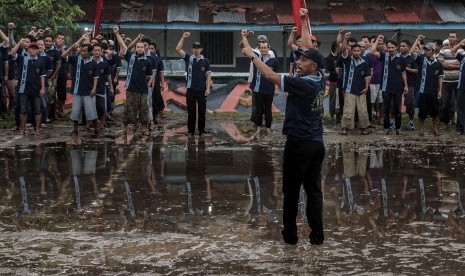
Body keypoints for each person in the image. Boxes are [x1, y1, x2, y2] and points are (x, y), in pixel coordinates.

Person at [241, 8, 325, 246]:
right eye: (300, 58)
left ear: (314, 67)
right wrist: (306, 20)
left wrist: (252, 55)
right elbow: (311, 49)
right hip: (317, 144)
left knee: (290, 193)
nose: (299, 61)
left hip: (299, 144)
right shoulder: (320, 76)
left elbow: (270, 76)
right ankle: (317, 238)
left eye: (304, 60)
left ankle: (290, 237)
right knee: (314, 192)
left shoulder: (304, 84)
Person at [114, 27, 155, 136]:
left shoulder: (148, 62)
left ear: (145, 49)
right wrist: (117, 34)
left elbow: (148, 77)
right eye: (138, 47)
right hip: (131, 89)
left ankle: (144, 128)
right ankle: (125, 128)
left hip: (143, 90)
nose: (140, 49)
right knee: (128, 109)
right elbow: (123, 45)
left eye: (142, 47)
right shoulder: (131, 57)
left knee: (143, 110)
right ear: (136, 48)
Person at [61, 35, 99, 136]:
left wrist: (94, 88)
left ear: (90, 52)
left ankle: (96, 128)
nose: (83, 52)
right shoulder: (76, 59)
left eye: (85, 51)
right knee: (75, 111)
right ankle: (75, 129)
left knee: (92, 111)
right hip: (77, 90)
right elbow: (63, 56)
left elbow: (96, 77)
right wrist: (72, 47)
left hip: (88, 91)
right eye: (81, 50)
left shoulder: (94, 63)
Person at [176, 32, 212, 136]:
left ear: (201, 49)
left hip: (201, 90)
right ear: (192, 49)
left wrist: (208, 88)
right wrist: (183, 37)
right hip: (190, 89)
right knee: (191, 112)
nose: (196, 50)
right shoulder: (188, 58)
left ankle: (201, 131)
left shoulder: (205, 61)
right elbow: (178, 49)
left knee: (202, 112)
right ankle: (190, 131)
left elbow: (208, 75)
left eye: (198, 48)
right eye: (194, 48)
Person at [371, 35, 408, 135]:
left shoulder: (401, 59)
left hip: (397, 88)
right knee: (386, 109)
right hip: (385, 87)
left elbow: (403, 73)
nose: (391, 49)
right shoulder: (384, 56)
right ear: (386, 48)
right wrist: (378, 39)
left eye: (392, 47)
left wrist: (406, 86)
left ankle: (398, 128)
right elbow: (372, 51)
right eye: (389, 47)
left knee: (397, 109)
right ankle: (386, 128)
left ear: (396, 47)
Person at [10, 40, 46, 135]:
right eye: (31, 48)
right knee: (23, 109)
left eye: (35, 48)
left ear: (38, 50)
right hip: (23, 89)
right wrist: (19, 43)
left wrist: (42, 88)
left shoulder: (41, 61)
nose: (33, 50)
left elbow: (42, 76)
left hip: (36, 89)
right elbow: (12, 53)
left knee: (37, 109)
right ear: (28, 49)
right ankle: (22, 128)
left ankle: (37, 128)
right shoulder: (23, 59)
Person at [339, 32, 372, 135]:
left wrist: (366, 87)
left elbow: (367, 76)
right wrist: (345, 38)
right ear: (351, 52)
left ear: (361, 51)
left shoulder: (364, 63)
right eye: (355, 51)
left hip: (361, 90)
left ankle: (364, 128)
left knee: (363, 110)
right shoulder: (347, 60)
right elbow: (343, 49)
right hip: (349, 89)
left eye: (358, 51)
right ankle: (345, 128)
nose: (357, 52)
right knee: (348, 110)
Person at [411, 36, 444, 136]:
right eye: (425, 49)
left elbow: (440, 78)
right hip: (423, 90)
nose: (425, 51)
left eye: (428, 50)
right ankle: (421, 129)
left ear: (433, 51)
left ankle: (434, 128)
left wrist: (440, 91)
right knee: (422, 112)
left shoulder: (438, 64)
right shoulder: (421, 60)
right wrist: (417, 39)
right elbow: (412, 52)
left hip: (433, 91)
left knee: (435, 112)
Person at [247, 37, 279, 138]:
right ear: (259, 49)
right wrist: (244, 37)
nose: (264, 49)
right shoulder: (256, 59)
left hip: (269, 89)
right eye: (262, 47)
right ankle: (259, 127)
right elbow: (246, 48)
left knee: (268, 109)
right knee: (258, 109)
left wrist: (276, 87)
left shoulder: (273, 60)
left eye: (265, 47)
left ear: (268, 48)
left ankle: (268, 127)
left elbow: (275, 75)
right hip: (257, 88)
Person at [399, 40, 418, 130]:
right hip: (397, 84)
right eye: (401, 46)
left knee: (410, 103)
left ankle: (411, 122)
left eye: (404, 46)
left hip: (410, 84)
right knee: (395, 104)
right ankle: (394, 122)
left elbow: (416, 70)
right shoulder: (397, 57)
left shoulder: (412, 59)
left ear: (409, 48)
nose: (401, 47)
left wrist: (406, 68)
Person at [449, 38, 465, 135]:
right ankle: (461, 128)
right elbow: (452, 51)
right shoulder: (462, 58)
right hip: (461, 87)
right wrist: (460, 43)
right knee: (460, 108)